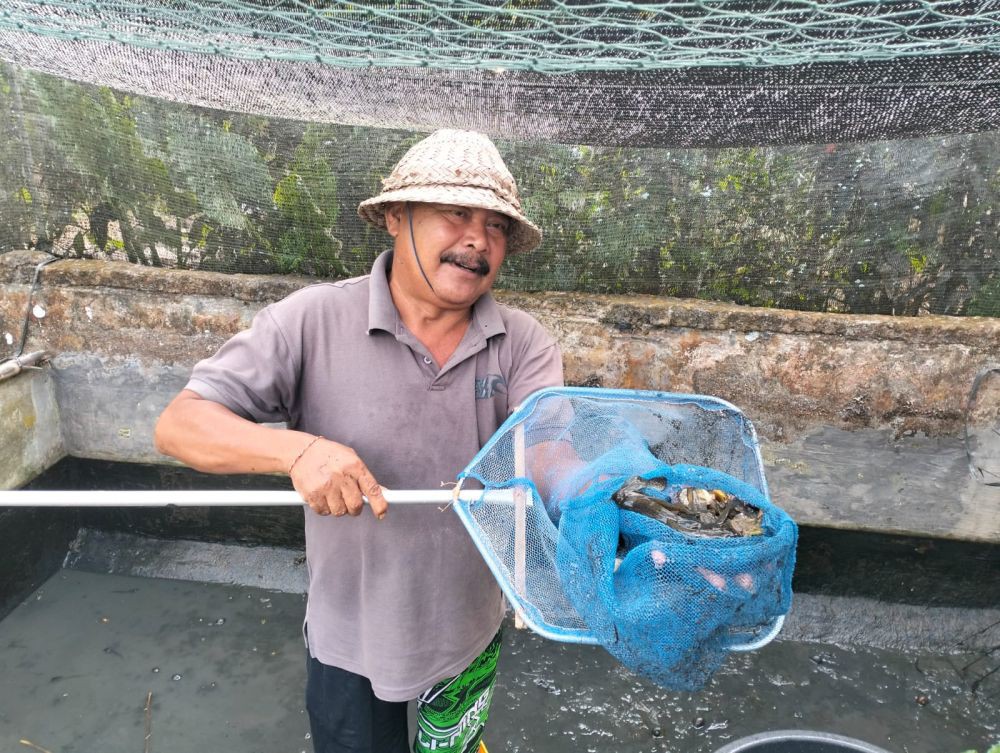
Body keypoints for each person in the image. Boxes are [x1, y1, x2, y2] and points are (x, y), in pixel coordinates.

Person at [154, 129, 564, 753]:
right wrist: (297, 451)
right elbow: (180, 424)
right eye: (456, 213)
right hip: (349, 638)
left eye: (496, 225)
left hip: (467, 633)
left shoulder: (523, 342)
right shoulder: (310, 321)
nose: (478, 238)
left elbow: (549, 450)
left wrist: (629, 517)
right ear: (396, 217)